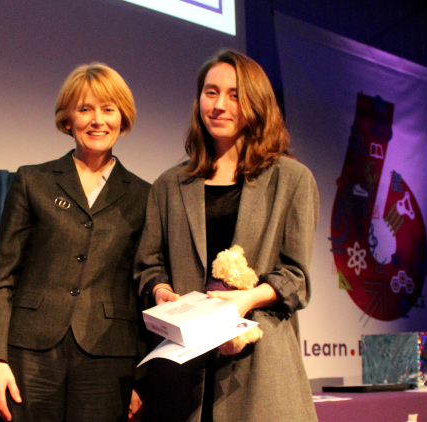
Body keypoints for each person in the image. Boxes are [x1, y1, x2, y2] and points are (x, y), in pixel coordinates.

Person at [134, 49, 319, 422]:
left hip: (259, 370)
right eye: (210, 92)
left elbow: (296, 280)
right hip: (183, 373)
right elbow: (148, 265)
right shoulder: (170, 185)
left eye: (234, 94)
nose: (219, 105)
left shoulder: (292, 179)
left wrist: (245, 300)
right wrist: (161, 291)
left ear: (257, 103)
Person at [0, 63, 150, 422]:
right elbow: (3, 277)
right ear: (68, 119)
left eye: (108, 109)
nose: (97, 120)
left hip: (109, 358)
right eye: (85, 109)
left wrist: (142, 378)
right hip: (30, 353)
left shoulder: (145, 195)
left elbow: (142, 291)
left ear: (123, 118)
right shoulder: (33, 181)